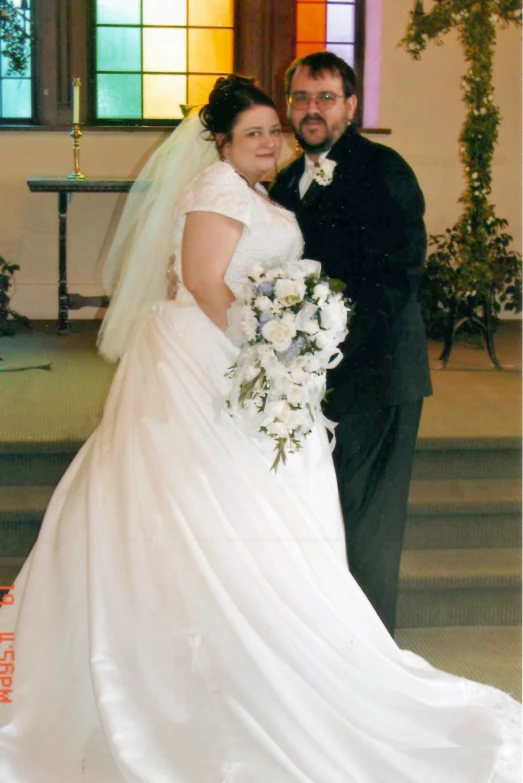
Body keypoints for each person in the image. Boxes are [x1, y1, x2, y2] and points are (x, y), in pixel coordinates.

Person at [0, 75, 519, 783]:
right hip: (213, 363)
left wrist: (290, 343)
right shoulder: (219, 188)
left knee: (269, 502)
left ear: (345, 106)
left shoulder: (282, 189)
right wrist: (269, 347)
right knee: (210, 499)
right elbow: (208, 281)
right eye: (256, 131)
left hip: (289, 368)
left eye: (275, 128)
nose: (272, 138)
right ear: (222, 140)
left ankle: (308, 644)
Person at [270, 51, 433, 636]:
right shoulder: (288, 180)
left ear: (352, 106)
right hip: (313, 382)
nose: (311, 111)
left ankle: (372, 656)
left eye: (325, 98)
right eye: (301, 99)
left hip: (376, 375)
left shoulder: (384, 170)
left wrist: (327, 354)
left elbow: (397, 279)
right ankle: (328, 647)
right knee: (322, 515)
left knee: (368, 528)